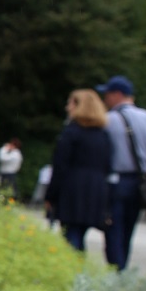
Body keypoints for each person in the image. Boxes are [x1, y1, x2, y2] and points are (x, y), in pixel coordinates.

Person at [99, 74, 146, 272]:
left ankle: (116, 270)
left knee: (113, 227)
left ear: (117, 95)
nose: (105, 100)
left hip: (116, 181)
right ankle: (122, 269)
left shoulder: (108, 120)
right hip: (141, 183)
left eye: (107, 95)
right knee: (128, 229)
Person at [45, 90, 113, 253]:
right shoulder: (103, 135)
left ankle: (74, 272)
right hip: (96, 189)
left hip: (73, 188)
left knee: (70, 236)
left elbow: (60, 166)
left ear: (78, 106)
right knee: (79, 234)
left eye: (70, 103)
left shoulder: (71, 132)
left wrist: (51, 196)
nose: (67, 107)